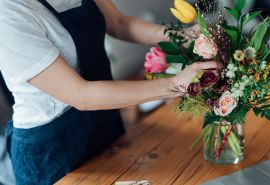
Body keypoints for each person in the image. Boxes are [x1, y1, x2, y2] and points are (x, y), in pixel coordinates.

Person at [0, 0, 222, 184]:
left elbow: (118, 23)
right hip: (52, 149)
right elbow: (81, 95)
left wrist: (179, 36)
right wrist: (175, 84)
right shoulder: (8, 13)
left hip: (104, 121)